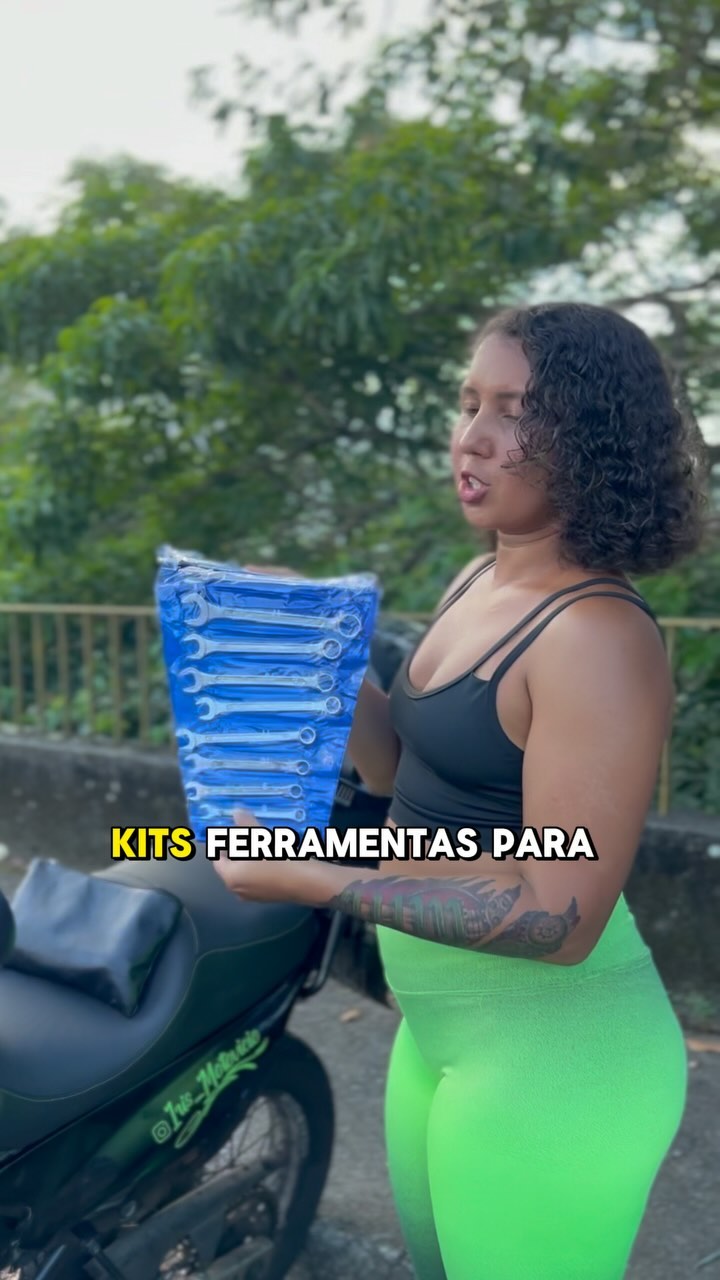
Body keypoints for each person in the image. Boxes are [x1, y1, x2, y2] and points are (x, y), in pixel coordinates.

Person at [213, 301, 707, 1279]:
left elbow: (558, 916)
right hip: (440, 1034)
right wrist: (321, 648)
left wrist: (313, 877)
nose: (471, 437)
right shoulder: (476, 581)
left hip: (557, 1060)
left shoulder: (597, 638)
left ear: (593, 441)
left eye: (513, 411)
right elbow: (401, 775)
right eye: (469, 401)